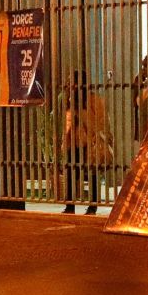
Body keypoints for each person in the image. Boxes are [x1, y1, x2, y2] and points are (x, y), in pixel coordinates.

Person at [62, 69, 114, 215]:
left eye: (72, 81)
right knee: (71, 173)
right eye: (68, 81)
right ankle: (69, 205)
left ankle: (93, 206)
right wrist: (64, 141)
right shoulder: (69, 99)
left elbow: (97, 124)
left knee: (92, 175)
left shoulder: (94, 100)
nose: (69, 84)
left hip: (89, 142)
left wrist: (80, 109)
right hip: (73, 142)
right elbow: (67, 122)